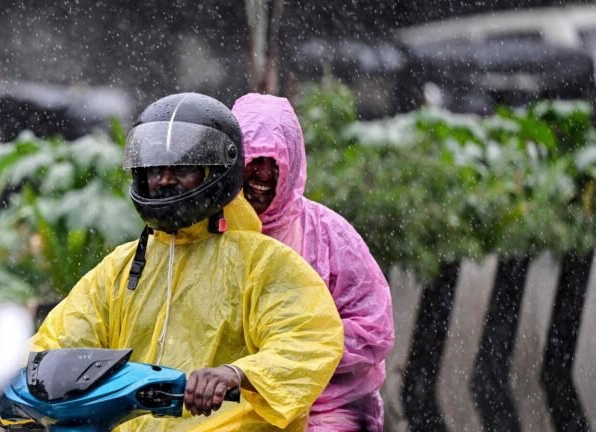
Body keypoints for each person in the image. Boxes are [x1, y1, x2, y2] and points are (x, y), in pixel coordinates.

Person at [28, 92, 344, 431]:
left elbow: (308, 338)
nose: (164, 179)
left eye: (182, 168)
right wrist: (24, 389)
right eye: (155, 169)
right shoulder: (121, 268)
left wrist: (236, 374)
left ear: (218, 172)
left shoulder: (263, 263)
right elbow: (63, 340)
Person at [232, 93, 394, 432]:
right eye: (253, 159)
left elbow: (374, 328)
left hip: (330, 412)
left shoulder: (329, 236)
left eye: (275, 161)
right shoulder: (208, 233)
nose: (264, 173)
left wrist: (293, 356)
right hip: (237, 411)